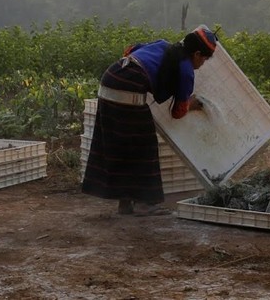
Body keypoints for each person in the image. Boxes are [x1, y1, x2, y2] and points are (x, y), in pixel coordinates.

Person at [82, 24, 218, 216]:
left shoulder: (163, 45)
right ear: (197, 54)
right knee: (145, 146)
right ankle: (146, 203)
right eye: (204, 59)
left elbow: (130, 50)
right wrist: (191, 104)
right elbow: (178, 112)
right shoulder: (186, 70)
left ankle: (125, 203)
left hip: (110, 78)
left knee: (124, 144)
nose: (202, 63)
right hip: (128, 88)